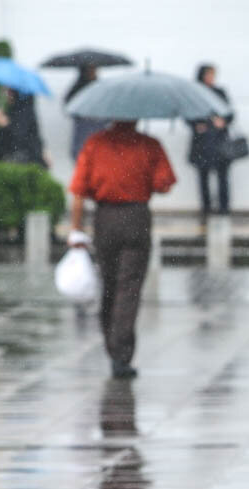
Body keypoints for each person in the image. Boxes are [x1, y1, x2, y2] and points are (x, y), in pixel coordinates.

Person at [68, 120, 176, 378]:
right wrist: (141, 177)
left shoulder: (95, 144)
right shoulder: (149, 145)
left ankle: (111, 345)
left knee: (109, 282)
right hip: (136, 216)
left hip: (105, 217)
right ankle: (121, 353)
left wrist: (76, 229)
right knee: (129, 286)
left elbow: (79, 190)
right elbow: (164, 183)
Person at [189, 64, 233, 220]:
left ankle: (224, 207)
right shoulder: (195, 93)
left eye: (213, 75)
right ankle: (206, 207)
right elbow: (188, 115)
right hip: (202, 143)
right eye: (209, 75)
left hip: (219, 141)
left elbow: (230, 114)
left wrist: (223, 121)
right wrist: (196, 125)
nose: (212, 78)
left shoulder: (219, 93)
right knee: (203, 175)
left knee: (223, 176)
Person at [0, 89, 49, 168]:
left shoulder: (24, 111)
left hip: (25, 161)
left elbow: (20, 135)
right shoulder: (14, 110)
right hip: (22, 159)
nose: (7, 94)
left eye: (10, 92)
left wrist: (5, 124)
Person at [64, 65, 108, 161]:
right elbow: (68, 107)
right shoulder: (78, 88)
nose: (95, 72)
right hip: (85, 129)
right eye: (92, 69)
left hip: (96, 129)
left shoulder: (100, 87)